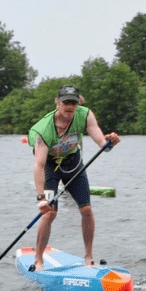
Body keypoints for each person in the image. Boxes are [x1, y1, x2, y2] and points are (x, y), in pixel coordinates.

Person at [26, 84, 120, 270]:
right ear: (58, 102)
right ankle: (38, 260)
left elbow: (103, 144)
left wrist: (110, 142)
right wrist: (41, 198)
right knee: (50, 213)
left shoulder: (85, 115)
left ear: (78, 103)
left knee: (86, 209)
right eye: (66, 102)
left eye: (73, 103)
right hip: (50, 168)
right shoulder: (44, 129)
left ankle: (88, 257)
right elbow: (39, 165)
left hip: (73, 164)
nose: (70, 106)